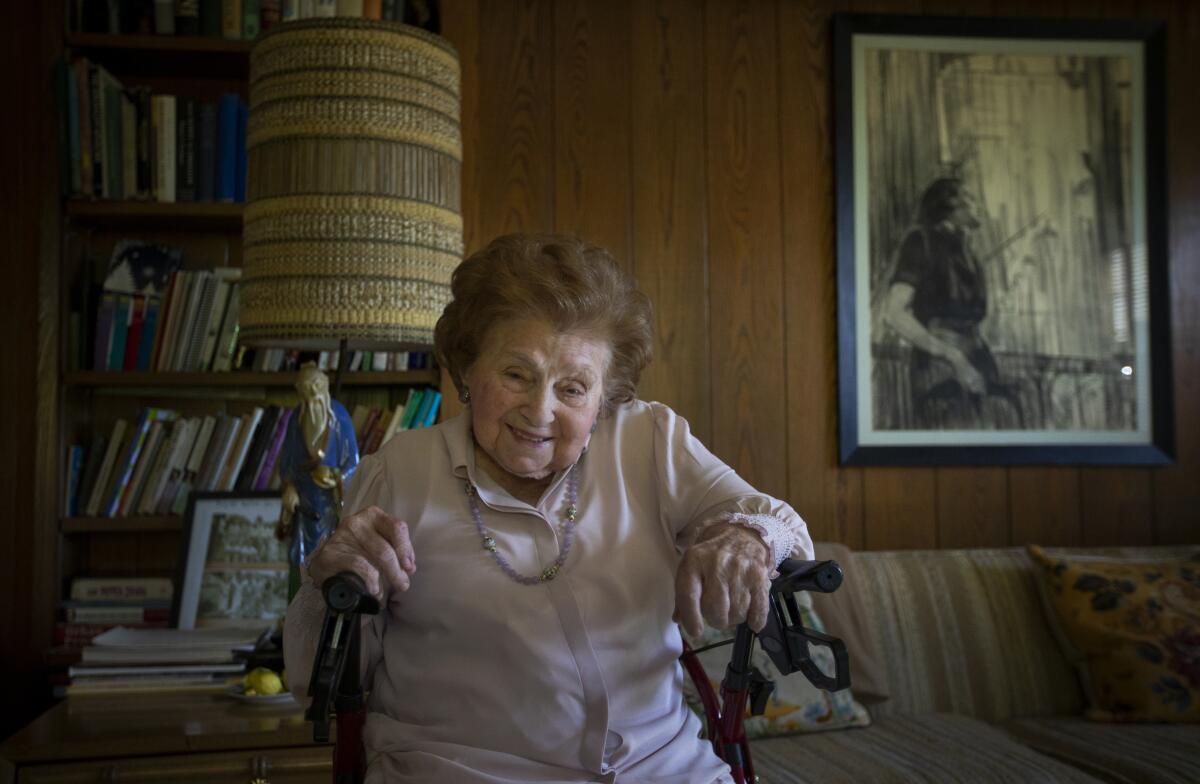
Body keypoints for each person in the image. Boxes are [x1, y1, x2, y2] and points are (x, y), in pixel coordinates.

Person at [283, 234, 813, 783]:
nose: (539, 410)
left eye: (573, 388)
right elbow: (312, 679)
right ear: (467, 369)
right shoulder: (400, 471)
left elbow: (777, 521)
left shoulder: (650, 441)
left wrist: (745, 537)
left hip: (663, 768)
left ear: (605, 399)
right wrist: (330, 582)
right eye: (516, 375)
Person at [882, 177, 1022, 429]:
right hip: (939, 370)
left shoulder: (970, 254)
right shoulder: (920, 241)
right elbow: (894, 313)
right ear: (949, 207)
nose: (977, 204)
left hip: (979, 363)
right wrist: (952, 356)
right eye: (969, 198)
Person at [276, 362, 360, 588]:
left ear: (325, 386)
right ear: (298, 389)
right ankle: (298, 613)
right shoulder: (296, 418)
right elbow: (287, 462)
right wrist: (290, 488)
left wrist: (336, 477)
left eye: (316, 386)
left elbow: (353, 462)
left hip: (330, 503)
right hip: (304, 503)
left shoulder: (339, 417)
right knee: (300, 559)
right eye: (306, 387)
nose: (313, 393)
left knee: (332, 557)